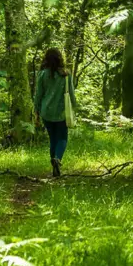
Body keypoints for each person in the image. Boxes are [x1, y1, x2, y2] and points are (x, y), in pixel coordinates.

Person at [33, 47, 77, 178]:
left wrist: (36, 110)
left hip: (46, 112)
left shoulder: (42, 74)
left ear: (46, 59)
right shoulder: (65, 74)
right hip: (61, 112)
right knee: (62, 138)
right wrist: (74, 107)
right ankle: (57, 159)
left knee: (53, 139)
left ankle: (54, 163)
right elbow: (72, 94)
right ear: (60, 59)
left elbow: (38, 95)